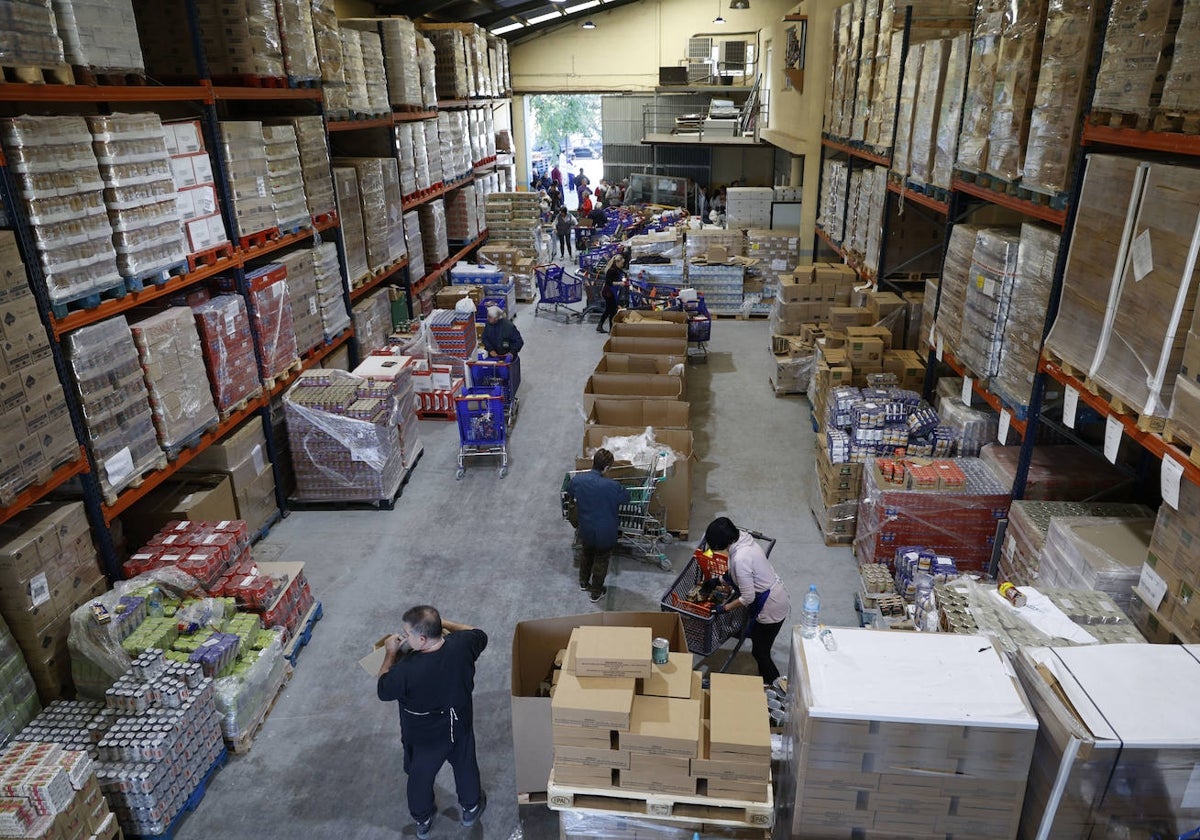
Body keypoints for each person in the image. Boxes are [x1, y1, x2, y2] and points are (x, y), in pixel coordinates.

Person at [377, 606, 489, 839]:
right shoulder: (462, 646)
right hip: (458, 724)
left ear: (422, 638)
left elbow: (383, 689)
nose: (404, 638)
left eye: (407, 634)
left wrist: (390, 653)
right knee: (465, 765)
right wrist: (445, 623)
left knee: (420, 776)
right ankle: (470, 808)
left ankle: (423, 819)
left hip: (424, 736)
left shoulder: (405, 670)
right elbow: (478, 633)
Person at [703, 517, 790, 685]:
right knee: (758, 642)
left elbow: (748, 597)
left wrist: (723, 608)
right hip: (773, 595)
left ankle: (776, 688)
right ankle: (769, 683)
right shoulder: (742, 539)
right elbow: (740, 574)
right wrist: (718, 580)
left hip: (771, 607)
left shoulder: (741, 558)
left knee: (760, 652)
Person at [567, 448, 629, 602]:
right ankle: (596, 591)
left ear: (593, 462)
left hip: (586, 527)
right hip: (605, 531)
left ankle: (583, 582)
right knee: (601, 559)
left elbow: (570, 492)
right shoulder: (612, 486)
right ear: (607, 468)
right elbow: (626, 498)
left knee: (587, 552)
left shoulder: (578, 480)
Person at [596, 254, 625, 333]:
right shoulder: (611, 270)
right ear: (617, 262)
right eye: (622, 263)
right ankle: (611, 329)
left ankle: (602, 326)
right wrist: (619, 283)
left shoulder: (618, 270)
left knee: (609, 310)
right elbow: (609, 282)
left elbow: (623, 274)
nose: (622, 265)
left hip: (611, 292)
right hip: (608, 292)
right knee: (612, 311)